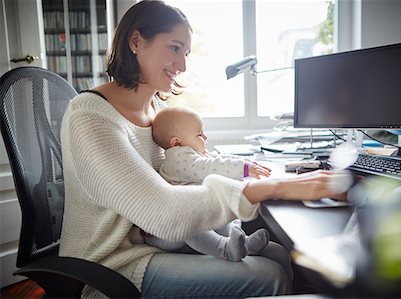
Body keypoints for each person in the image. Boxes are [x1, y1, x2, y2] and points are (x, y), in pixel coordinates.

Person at [59, 1, 349, 298]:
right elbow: (165, 214)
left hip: (154, 243)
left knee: (276, 254)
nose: (183, 65)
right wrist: (272, 188)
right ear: (136, 41)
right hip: (112, 266)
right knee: (268, 276)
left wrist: (251, 172)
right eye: (174, 48)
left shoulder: (156, 112)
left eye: (185, 53)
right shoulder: (91, 117)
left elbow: (196, 165)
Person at [145, 106, 271, 262]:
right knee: (190, 222)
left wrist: (248, 163)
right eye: (199, 134)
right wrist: (243, 169)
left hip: (197, 215)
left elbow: (220, 158)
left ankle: (242, 243)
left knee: (223, 210)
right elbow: (210, 166)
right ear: (176, 143)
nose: (205, 137)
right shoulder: (178, 159)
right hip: (169, 230)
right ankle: (225, 249)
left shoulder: (192, 153)